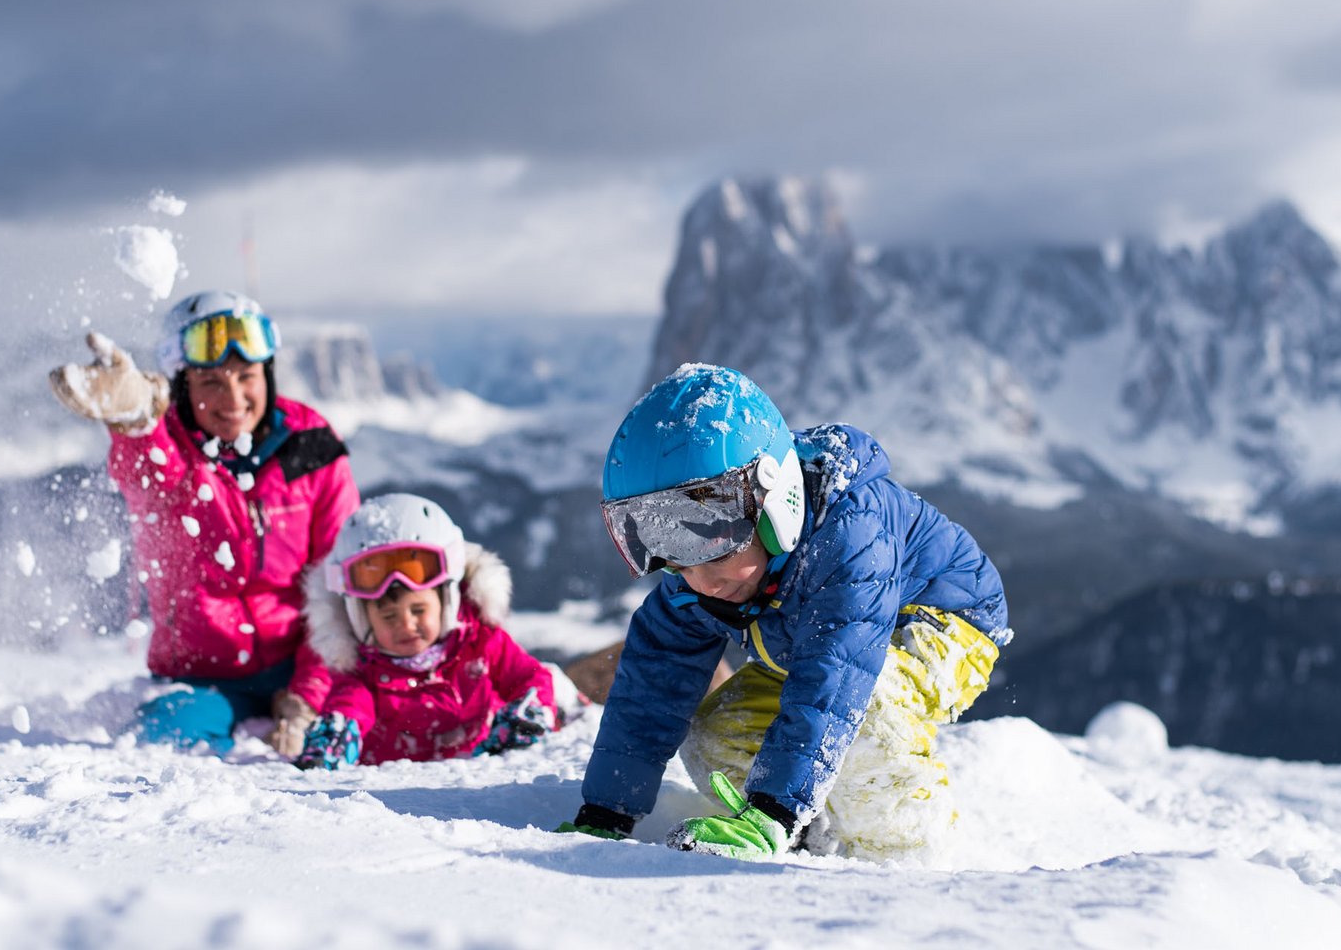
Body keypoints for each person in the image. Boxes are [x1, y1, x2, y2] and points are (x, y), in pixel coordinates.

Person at [557, 364, 1010, 861]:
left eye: (718, 544)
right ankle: (809, 838)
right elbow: (652, 687)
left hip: (940, 621)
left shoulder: (852, 535)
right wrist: (607, 812)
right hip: (812, 642)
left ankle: (907, 857)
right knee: (715, 735)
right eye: (667, 548)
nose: (702, 578)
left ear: (777, 504)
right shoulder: (704, 579)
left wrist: (775, 808)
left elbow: (836, 679)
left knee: (868, 712)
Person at [49, 291, 358, 754]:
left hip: (305, 664)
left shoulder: (310, 446)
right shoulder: (168, 446)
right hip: (203, 679)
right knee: (161, 744)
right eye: (211, 381)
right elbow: (146, 472)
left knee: (362, 726)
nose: (233, 398)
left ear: (267, 376)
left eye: (247, 377)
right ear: (183, 386)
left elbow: (339, 581)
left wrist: (306, 696)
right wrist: (135, 423)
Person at [290, 492, 560, 768]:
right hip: (394, 798)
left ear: (447, 602)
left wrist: (529, 711)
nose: (406, 625)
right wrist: (338, 735)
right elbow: (350, 705)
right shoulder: (363, 671)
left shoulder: (481, 642)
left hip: (480, 773)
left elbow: (528, 676)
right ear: (361, 620)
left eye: (418, 610)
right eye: (388, 617)